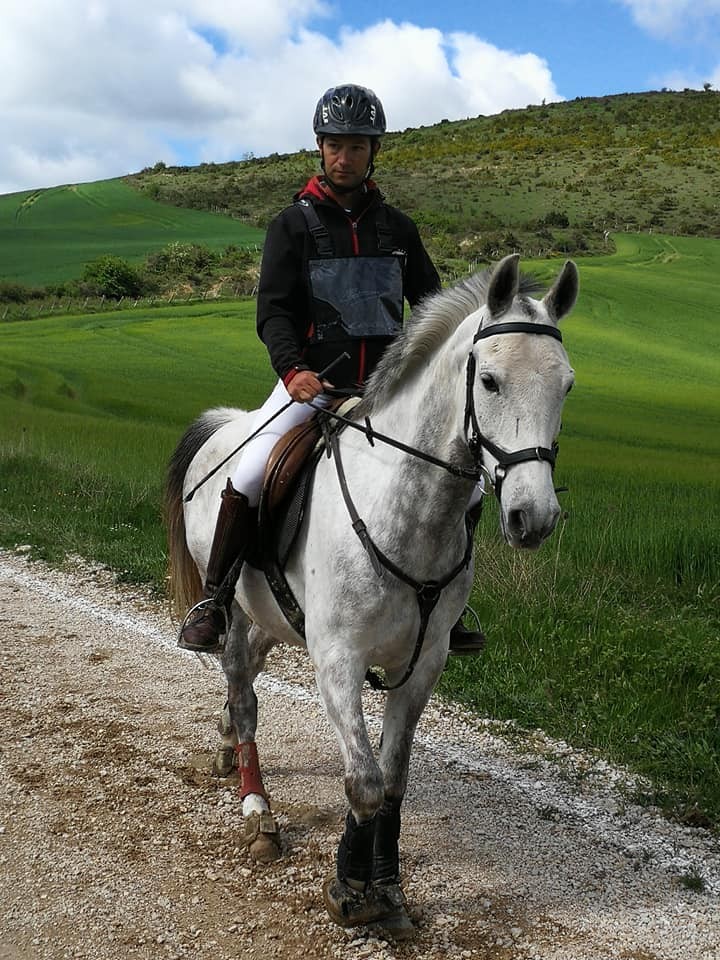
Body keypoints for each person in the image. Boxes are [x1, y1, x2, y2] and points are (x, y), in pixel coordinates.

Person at [178, 83, 485, 655]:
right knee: (246, 474)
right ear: (320, 147)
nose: (345, 158)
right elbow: (273, 312)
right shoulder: (290, 226)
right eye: (335, 146)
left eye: (358, 148)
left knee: (466, 490)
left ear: (375, 152)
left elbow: (435, 308)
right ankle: (216, 599)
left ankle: (449, 608)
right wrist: (293, 370)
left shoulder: (398, 229)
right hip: (311, 388)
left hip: (387, 396)